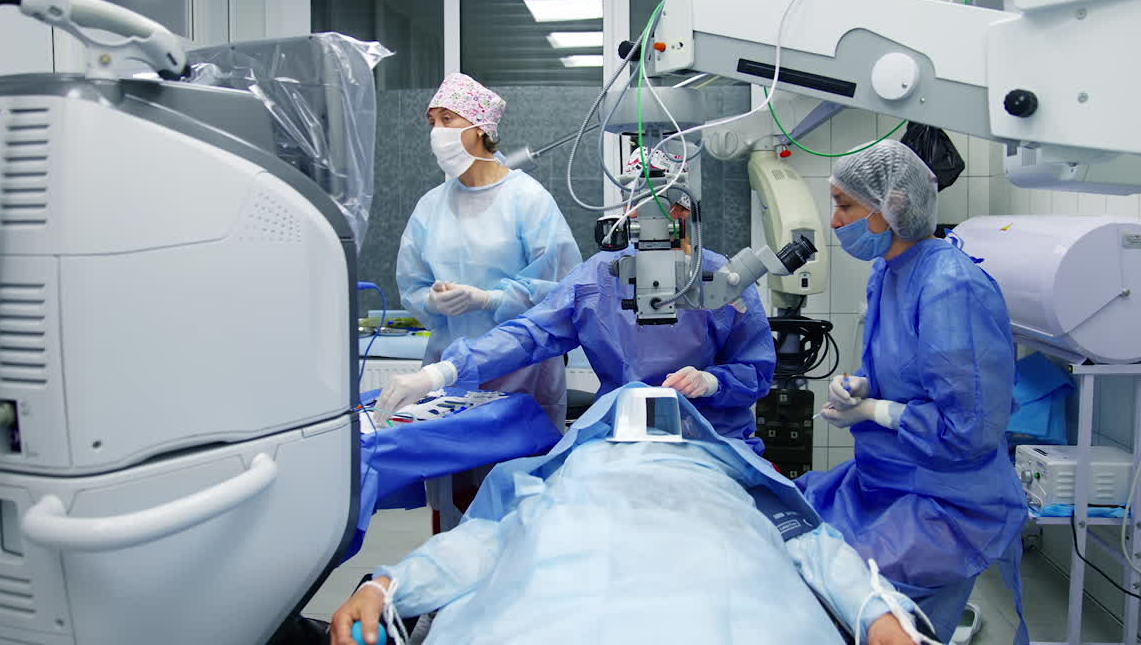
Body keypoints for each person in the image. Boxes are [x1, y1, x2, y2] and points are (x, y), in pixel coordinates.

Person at [332, 385, 924, 645]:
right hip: (571, 559)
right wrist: (385, 588)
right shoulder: (561, 476)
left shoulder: (726, 475)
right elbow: (479, 544)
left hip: (710, 540)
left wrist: (881, 618)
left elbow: (819, 549)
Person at [797, 140, 1027, 643]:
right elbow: (900, 367)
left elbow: (968, 430)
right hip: (885, 483)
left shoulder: (950, 287)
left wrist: (875, 411)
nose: (834, 222)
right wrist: (858, 387)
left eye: (844, 205)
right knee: (795, 534)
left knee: (856, 605)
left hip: (944, 503)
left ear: (891, 207)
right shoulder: (888, 271)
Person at [377, 202, 776, 453]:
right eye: (638, 212)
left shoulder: (719, 277)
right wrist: (439, 373)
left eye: (665, 212)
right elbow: (531, 333)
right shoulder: (601, 277)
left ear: (685, 214)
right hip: (618, 441)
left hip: (712, 441)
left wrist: (711, 382)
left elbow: (756, 369)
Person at [393, 73, 581, 428]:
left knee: (513, 476)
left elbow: (564, 293)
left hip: (523, 372)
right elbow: (412, 284)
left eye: (447, 119)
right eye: (432, 121)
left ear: (481, 127)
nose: (437, 131)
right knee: (452, 477)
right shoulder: (430, 206)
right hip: (448, 375)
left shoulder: (528, 199)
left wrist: (490, 300)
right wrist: (431, 301)